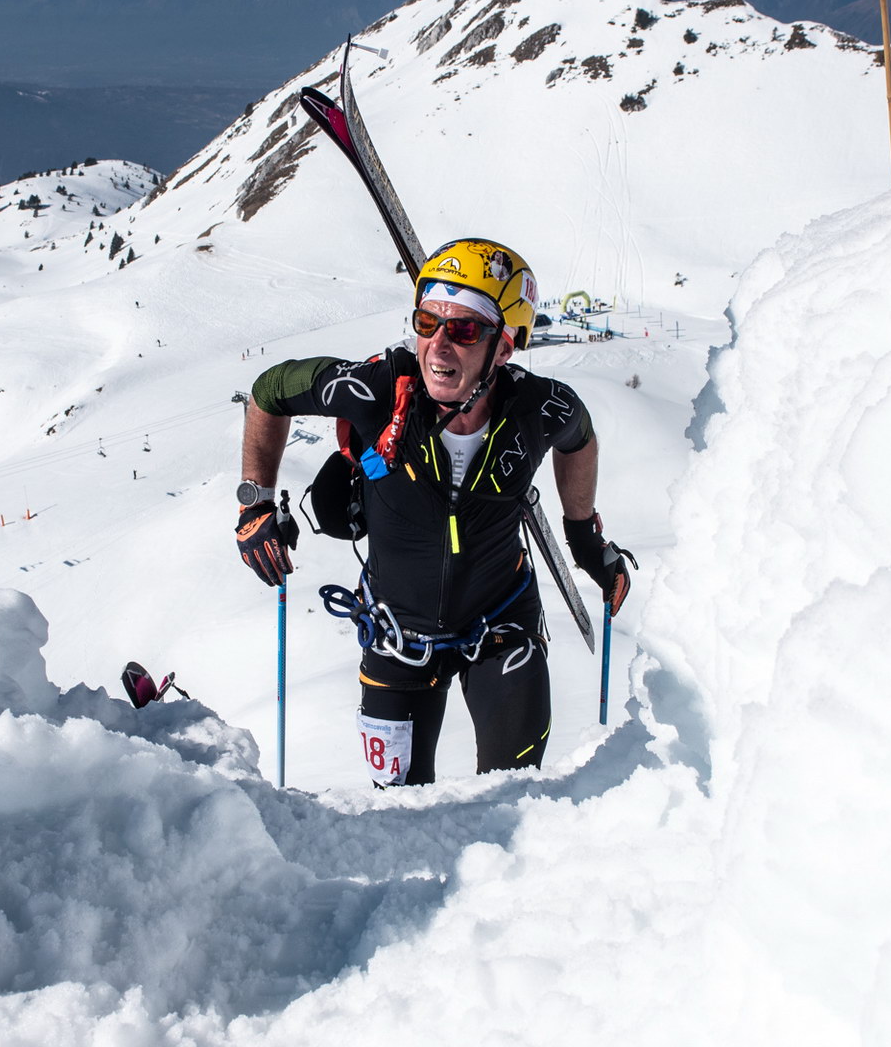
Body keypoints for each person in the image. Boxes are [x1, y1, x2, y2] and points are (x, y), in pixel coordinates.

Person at [236, 238, 632, 786]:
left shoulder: (537, 408)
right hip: (396, 635)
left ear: (504, 348)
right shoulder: (376, 390)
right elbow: (270, 390)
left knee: (512, 801)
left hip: (501, 627)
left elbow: (579, 437)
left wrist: (583, 535)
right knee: (397, 813)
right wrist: (254, 503)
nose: (438, 346)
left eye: (464, 330)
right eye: (427, 322)